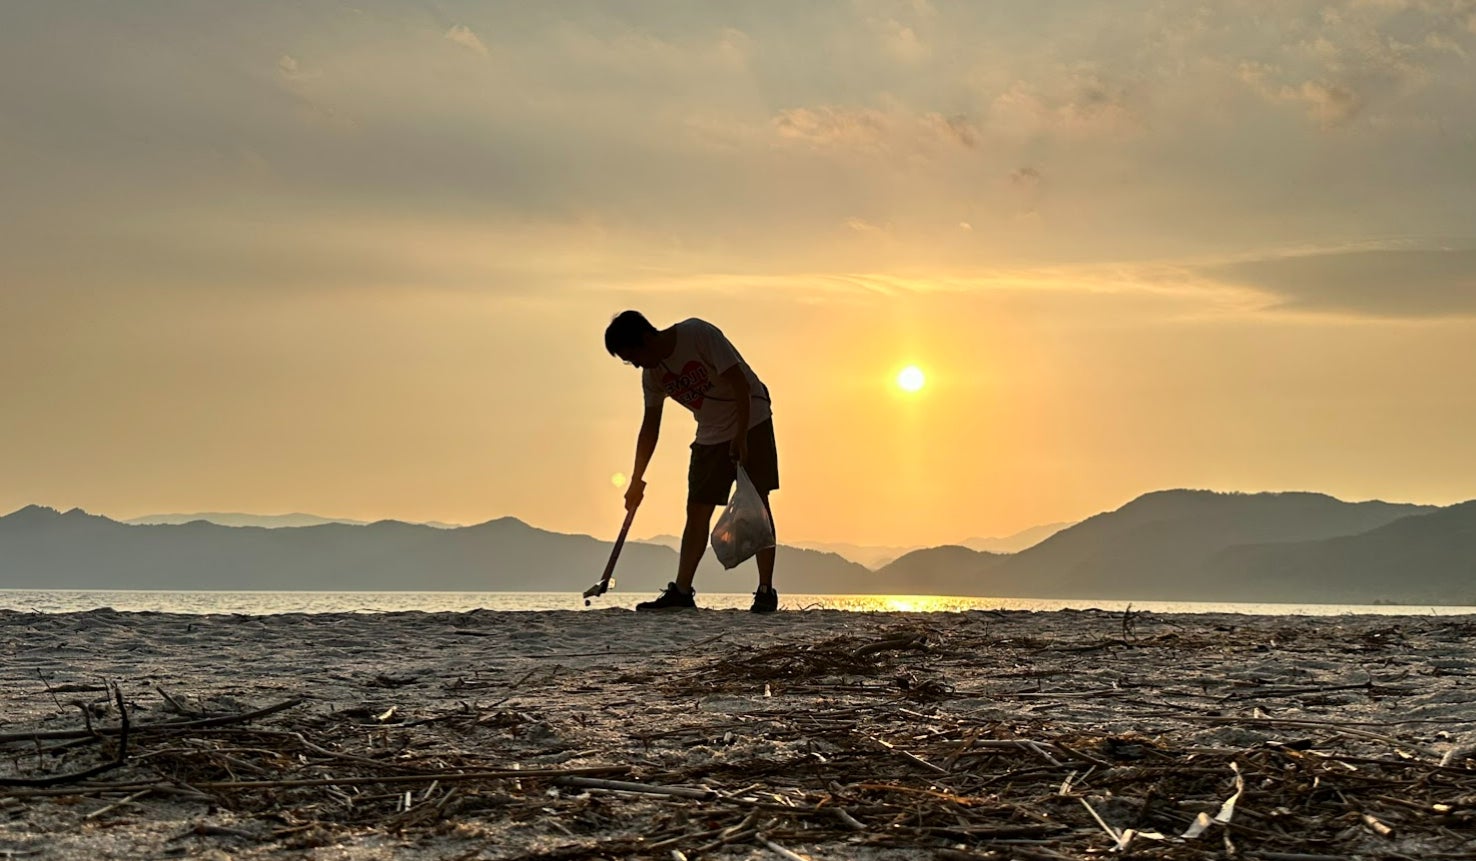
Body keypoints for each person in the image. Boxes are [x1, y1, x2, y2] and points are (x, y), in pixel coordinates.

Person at [604, 310, 780, 612]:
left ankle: (765, 590)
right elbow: (650, 427)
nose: (635, 365)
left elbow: (740, 383)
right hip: (710, 431)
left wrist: (741, 437)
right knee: (696, 509)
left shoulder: (697, 334)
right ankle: (682, 591)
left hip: (751, 417)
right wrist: (636, 479)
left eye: (632, 356)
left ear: (646, 338)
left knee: (757, 502)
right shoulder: (653, 375)